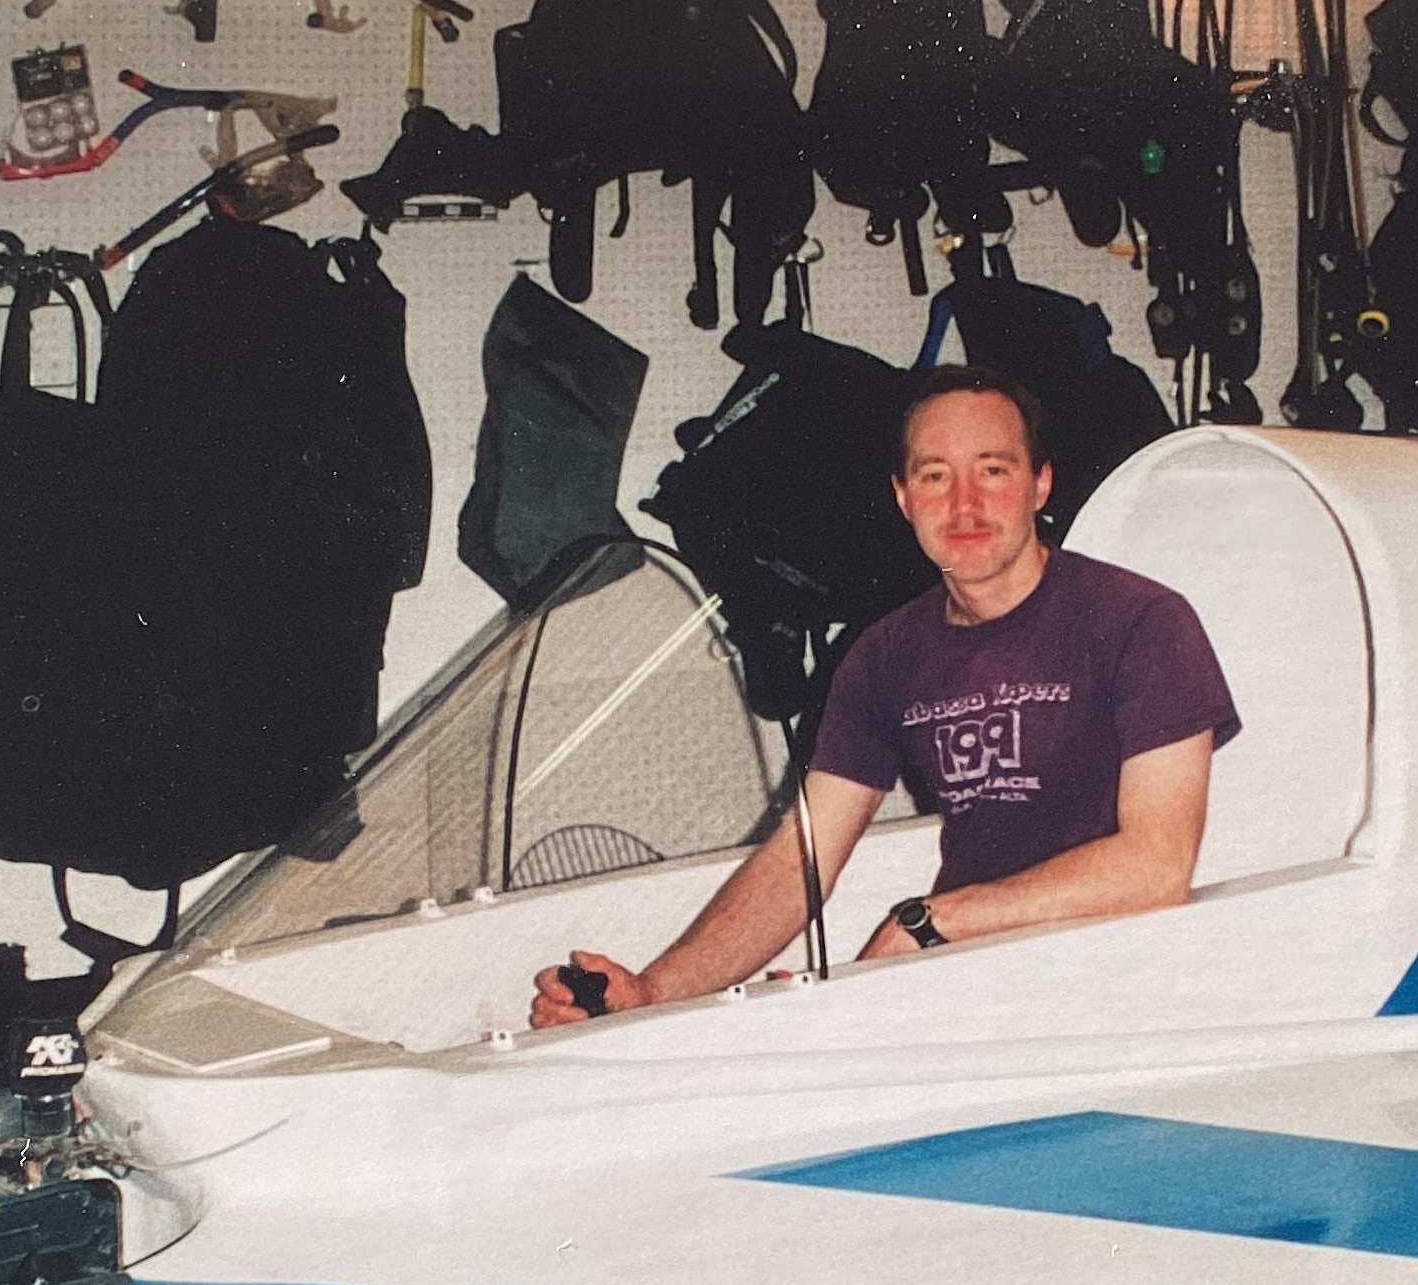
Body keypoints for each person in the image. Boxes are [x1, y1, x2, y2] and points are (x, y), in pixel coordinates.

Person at [529, 365, 1238, 1028]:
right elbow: (799, 862)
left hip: (1128, 990)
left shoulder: (1140, 620)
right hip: (971, 987)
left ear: (1040, 484)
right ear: (903, 496)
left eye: (993, 471)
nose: (965, 504)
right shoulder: (883, 655)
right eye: (936, 476)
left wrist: (931, 923)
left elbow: (1155, 867)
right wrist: (653, 993)